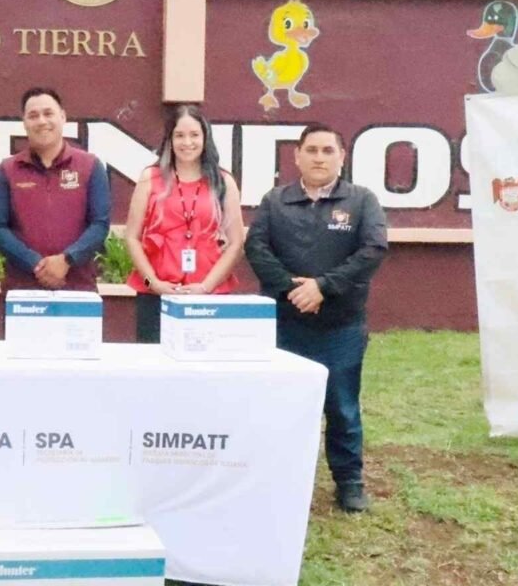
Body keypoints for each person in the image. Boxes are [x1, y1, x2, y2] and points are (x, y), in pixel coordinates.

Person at [243, 124, 387, 513]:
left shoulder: (361, 201)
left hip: (340, 327)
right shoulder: (275, 201)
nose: (319, 157)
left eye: (328, 150)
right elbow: (256, 249)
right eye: (311, 150)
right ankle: (277, 478)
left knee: (341, 407)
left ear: (342, 156)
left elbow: (372, 250)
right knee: (280, 408)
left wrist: (323, 287)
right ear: (297, 156)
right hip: (284, 326)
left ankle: (349, 482)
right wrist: (295, 289)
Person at [124, 105, 244, 343]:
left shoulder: (223, 181)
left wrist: (206, 287)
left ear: (205, 138)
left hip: (208, 295)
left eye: (194, 135)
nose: (187, 142)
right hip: (156, 294)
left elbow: (236, 242)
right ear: (169, 139)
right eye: (179, 135)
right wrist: (153, 283)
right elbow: (132, 237)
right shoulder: (150, 177)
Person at [0, 87, 111, 292]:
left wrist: (66, 260)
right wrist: (36, 264)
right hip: (23, 289)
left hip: (77, 287)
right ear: (24, 123)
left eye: (48, 113)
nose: (42, 121)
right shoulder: (7, 170)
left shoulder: (90, 166)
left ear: (63, 117)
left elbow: (100, 225)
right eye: (33, 116)